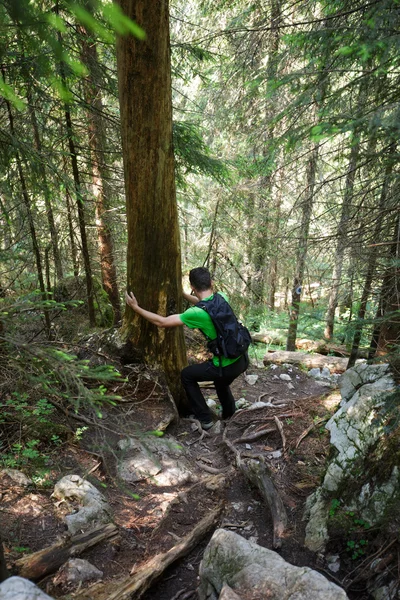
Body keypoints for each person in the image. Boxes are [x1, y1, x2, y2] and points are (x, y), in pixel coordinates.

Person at [125, 267, 249, 430]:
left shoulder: (195, 313)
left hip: (225, 367)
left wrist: (136, 308)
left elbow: (162, 322)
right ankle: (229, 415)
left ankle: (205, 419)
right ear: (211, 283)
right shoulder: (221, 297)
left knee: (187, 375)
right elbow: (204, 304)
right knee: (221, 383)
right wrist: (182, 294)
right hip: (242, 359)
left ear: (193, 287)